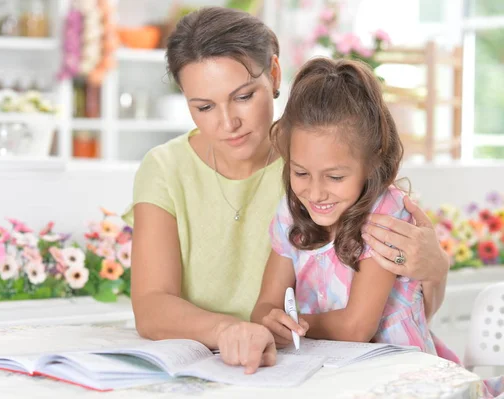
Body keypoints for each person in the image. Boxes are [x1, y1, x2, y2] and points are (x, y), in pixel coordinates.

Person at [122, 6, 450, 374]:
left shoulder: (320, 157)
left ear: (275, 74)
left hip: (324, 364)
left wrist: (436, 268)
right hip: (235, 364)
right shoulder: (166, 168)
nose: (228, 122)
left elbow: (408, 306)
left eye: (244, 96)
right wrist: (235, 330)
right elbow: (151, 307)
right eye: (203, 106)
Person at [250, 57, 457, 358]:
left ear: (372, 161)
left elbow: (356, 328)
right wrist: (270, 319)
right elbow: (265, 306)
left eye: (335, 177)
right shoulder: (290, 211)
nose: (316, 193)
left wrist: (293, 325)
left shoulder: (386, 212)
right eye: (301, 173)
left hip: (396, 369)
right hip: (326, 367)